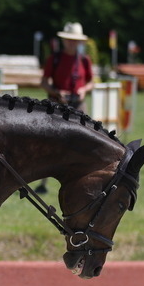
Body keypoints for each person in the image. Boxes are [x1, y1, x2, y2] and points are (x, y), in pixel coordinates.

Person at [36, 21, 95, 194]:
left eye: (75, 40)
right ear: (64, 40)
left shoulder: (85, 60)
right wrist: (56, 91)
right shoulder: (54, 59)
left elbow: (91, 82)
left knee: (85, 141)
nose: (72, 43)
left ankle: (84, 179)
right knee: (49, 142)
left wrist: (84, 89)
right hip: (57, 104)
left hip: (78, 104)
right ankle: (43, 183)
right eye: (69, 39)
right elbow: (43, 83)